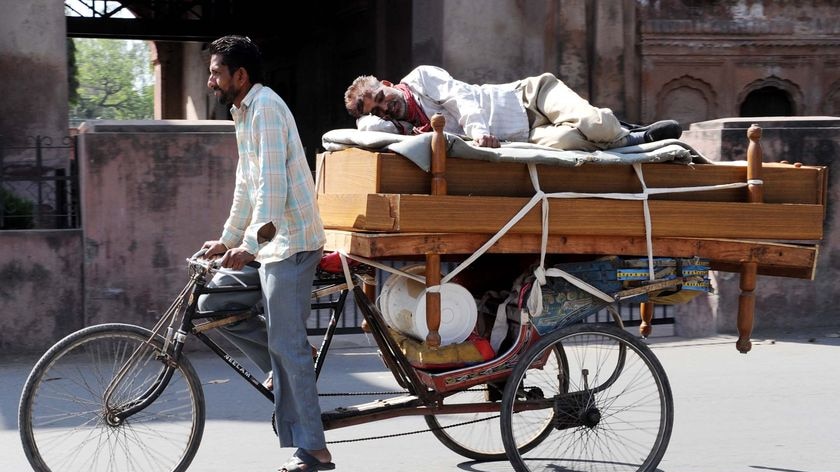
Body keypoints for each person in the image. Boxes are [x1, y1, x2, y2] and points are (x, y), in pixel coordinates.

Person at [201, 35, 334, 471]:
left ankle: (314, 448)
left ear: (240, 76)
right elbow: (247, 185)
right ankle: (285, 358)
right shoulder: (244, 113)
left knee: (286, 343)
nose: (211, 81)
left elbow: (273, 192)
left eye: (217, 72)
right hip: (269, 242)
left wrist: (248, 246)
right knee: (214, 302)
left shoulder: (268, 109)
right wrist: (227, 239)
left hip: (292, 243)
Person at [344, 65, 682, 151]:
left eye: (382, 98)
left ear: (387, 84)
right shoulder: (402, 128)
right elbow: (367, 132)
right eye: (379, 110)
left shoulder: (420, 78)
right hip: (527, 135)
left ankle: (636, 134)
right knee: (569, 145)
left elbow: (461, 101)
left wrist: (478, 133)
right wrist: (368, 116)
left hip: (528, 97)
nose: (387, 108)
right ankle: (631, 140)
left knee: (593, 125)